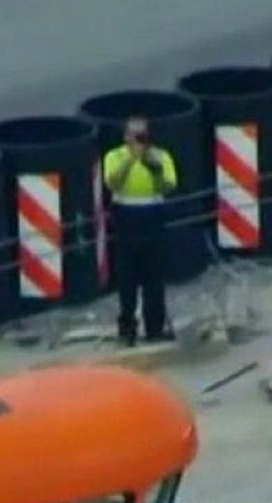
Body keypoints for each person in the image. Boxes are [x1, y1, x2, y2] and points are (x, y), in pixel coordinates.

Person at [102, 116, 178, 346]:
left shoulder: (160, 157)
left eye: (141, 136)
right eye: (133, 136)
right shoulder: (114, 156)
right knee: (127, 281)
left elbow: (169, 186)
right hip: (126, 220)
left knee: (154, 281)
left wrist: (152, 167)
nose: (137, 141)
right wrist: (130, 161)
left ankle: (154, 327)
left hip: (152, 218)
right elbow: (112, 183)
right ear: (125, 136)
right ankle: (127, 329)